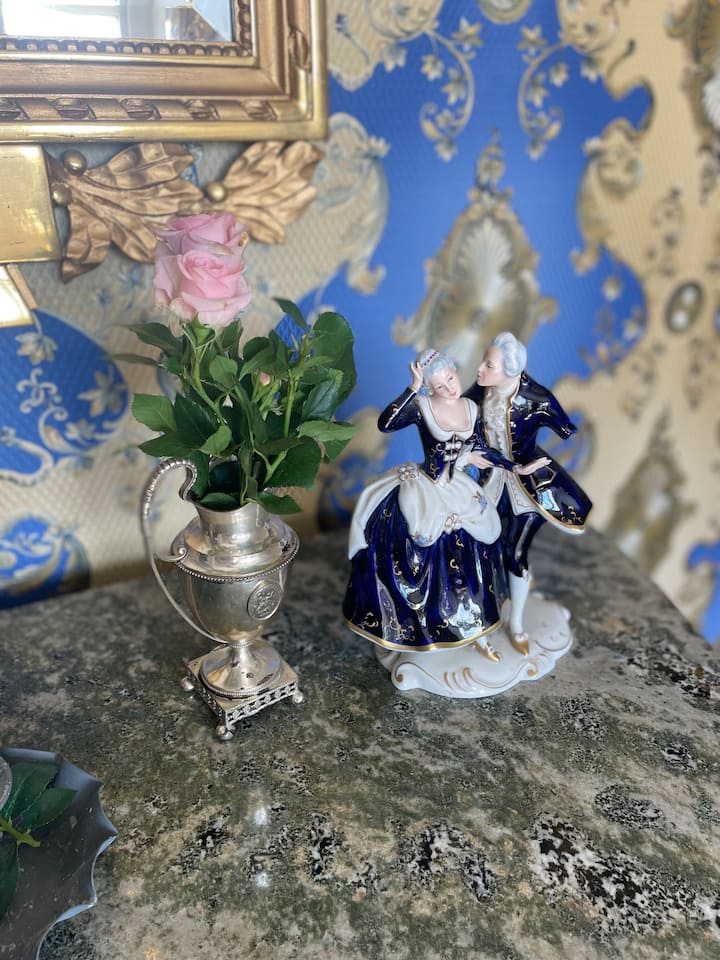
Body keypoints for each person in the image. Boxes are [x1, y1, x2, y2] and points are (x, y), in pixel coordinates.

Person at [343, 348, 549, 661]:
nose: (450, 388)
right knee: (419, 539)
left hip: (457, 485)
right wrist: (412, 388)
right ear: (430, 388)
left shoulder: (471, 407)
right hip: (425, 484)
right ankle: (417, 630)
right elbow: (387, 423)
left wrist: (514, 468)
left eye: (451, 379)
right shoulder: (422, 406)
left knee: (481, 543)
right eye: (440, 385)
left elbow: (481, 449)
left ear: (455, 371)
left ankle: (475, 627)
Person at [464, 331, 592, 654]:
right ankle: (482, 613)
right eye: (483, 361)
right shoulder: (478, 392)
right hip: (488, 479)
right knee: (478, 543)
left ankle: (517, 622)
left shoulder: (537, 399)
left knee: (515, 551)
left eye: (489, 365)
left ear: (511, 371)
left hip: (527, 488)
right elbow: (461, 422)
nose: (480, 369)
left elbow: (565, 428)